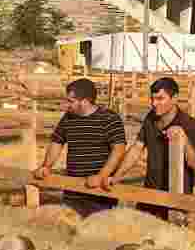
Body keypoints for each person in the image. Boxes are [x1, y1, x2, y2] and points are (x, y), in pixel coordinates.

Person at [103, 76, 195, 220]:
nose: (154, 103)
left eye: (160, 99)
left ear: (174, 98)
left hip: (177, 200)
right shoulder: (151, 119)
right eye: (152, 99)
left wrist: (184, 139)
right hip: (150, 196)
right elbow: (136, 149)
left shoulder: (191, 125)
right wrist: (117, 176)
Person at [33, 77, 127, 217]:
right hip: (72, 190)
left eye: (70, 101)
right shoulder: (68, 118)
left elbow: (118, 150)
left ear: (85, 101)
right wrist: (46, 166)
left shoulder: (110, 119)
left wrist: (102, 176)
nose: (66, 105)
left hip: (100, 194)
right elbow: (57, 142)